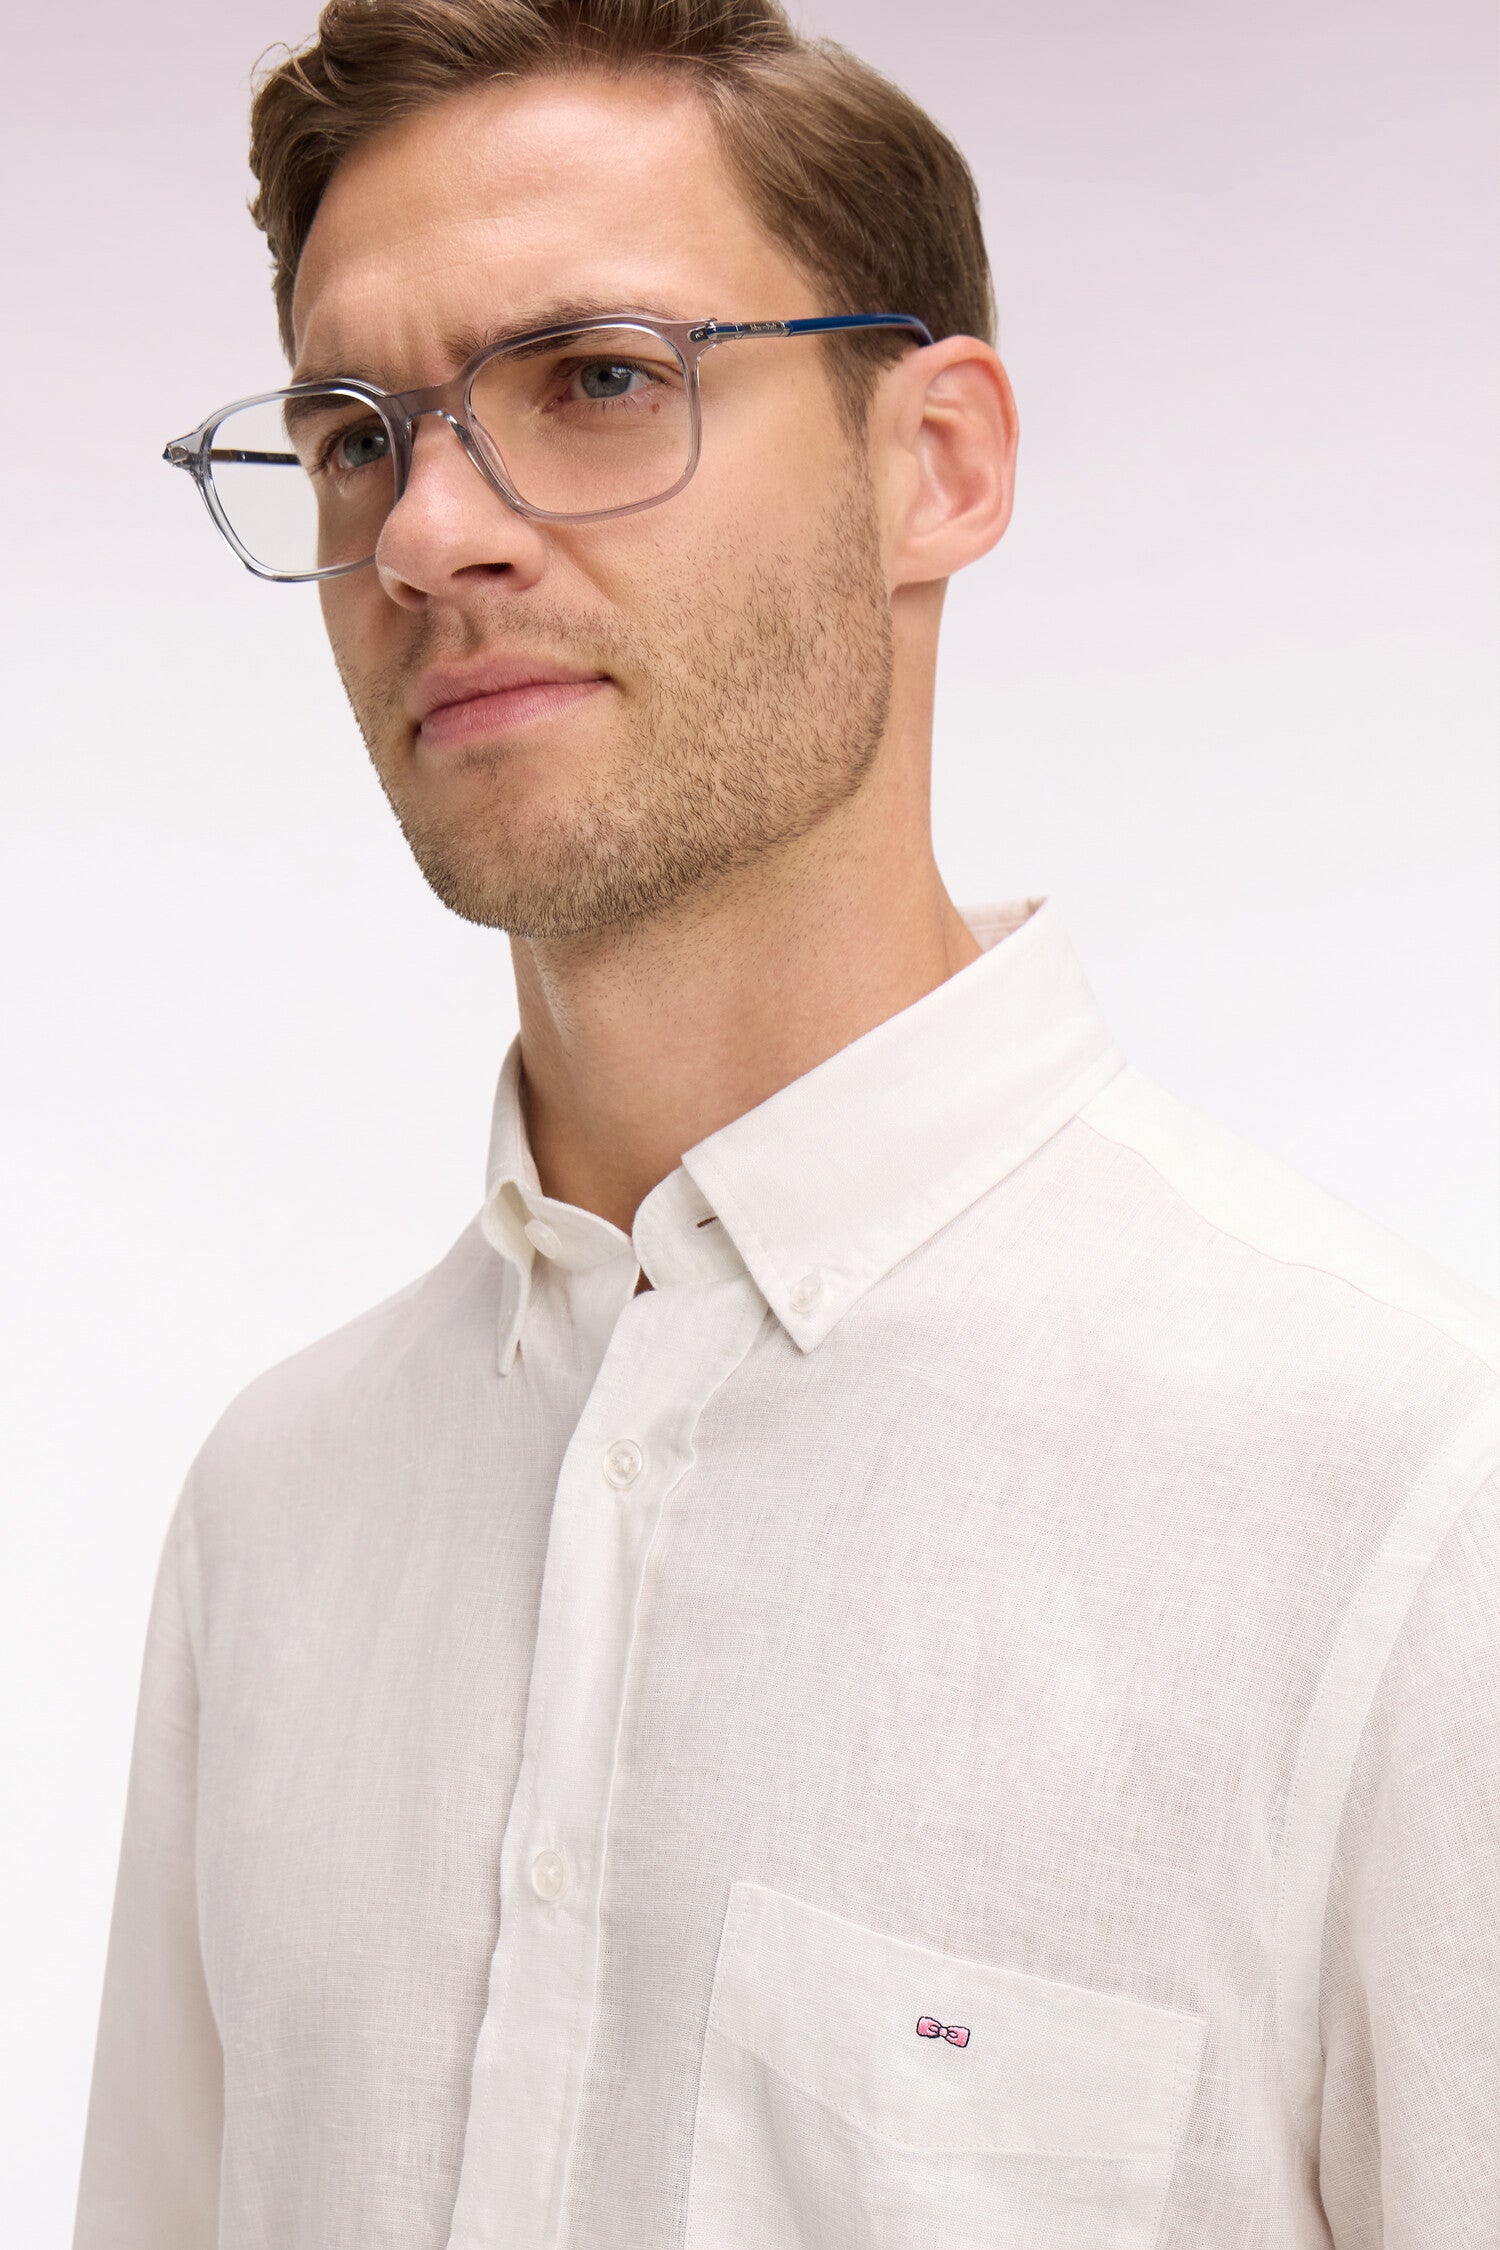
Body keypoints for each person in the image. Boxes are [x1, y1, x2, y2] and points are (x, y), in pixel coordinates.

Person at [74, 3, 1500, 2245]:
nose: (428, 531)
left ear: (936, 464)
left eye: (598, 379)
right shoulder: (275, 1518)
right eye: (355, 435)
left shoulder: (1405, 1517)